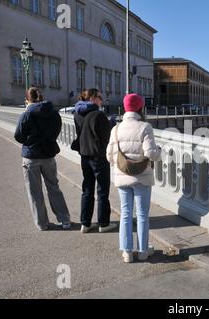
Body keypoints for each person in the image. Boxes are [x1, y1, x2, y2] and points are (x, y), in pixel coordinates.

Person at [106, 94, 161, 263]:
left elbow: (109, 156)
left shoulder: (115, 129)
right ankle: (143, 251)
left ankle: (127, 252)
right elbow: (151, 154)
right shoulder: (145, 127)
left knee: (125, 213)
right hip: (142, 178)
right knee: (142, 215)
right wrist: (159, 151)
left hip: (123, 178)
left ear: (125, 108)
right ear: (140, 108)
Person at [14, 87, 71, 231]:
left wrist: (31, 140)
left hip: (31, 157)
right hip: (48, 156)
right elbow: (57, 130)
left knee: (35, 191)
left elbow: (18, 136)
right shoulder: (53, 113)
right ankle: (64, 220)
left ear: (27, 100)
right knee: (53, 187)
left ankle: (42, 223)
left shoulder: (26, 115)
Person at [73, 89, 116, 234]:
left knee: (87, 189)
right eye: (99, 97)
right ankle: (103, 223)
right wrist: (111, 123)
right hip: (98, 156)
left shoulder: (77, 113)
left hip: (85, 155)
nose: (101, 101)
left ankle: (85, 223)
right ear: (92, 98)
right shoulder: (98, 114)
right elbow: (106, 136)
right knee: (102, 190)